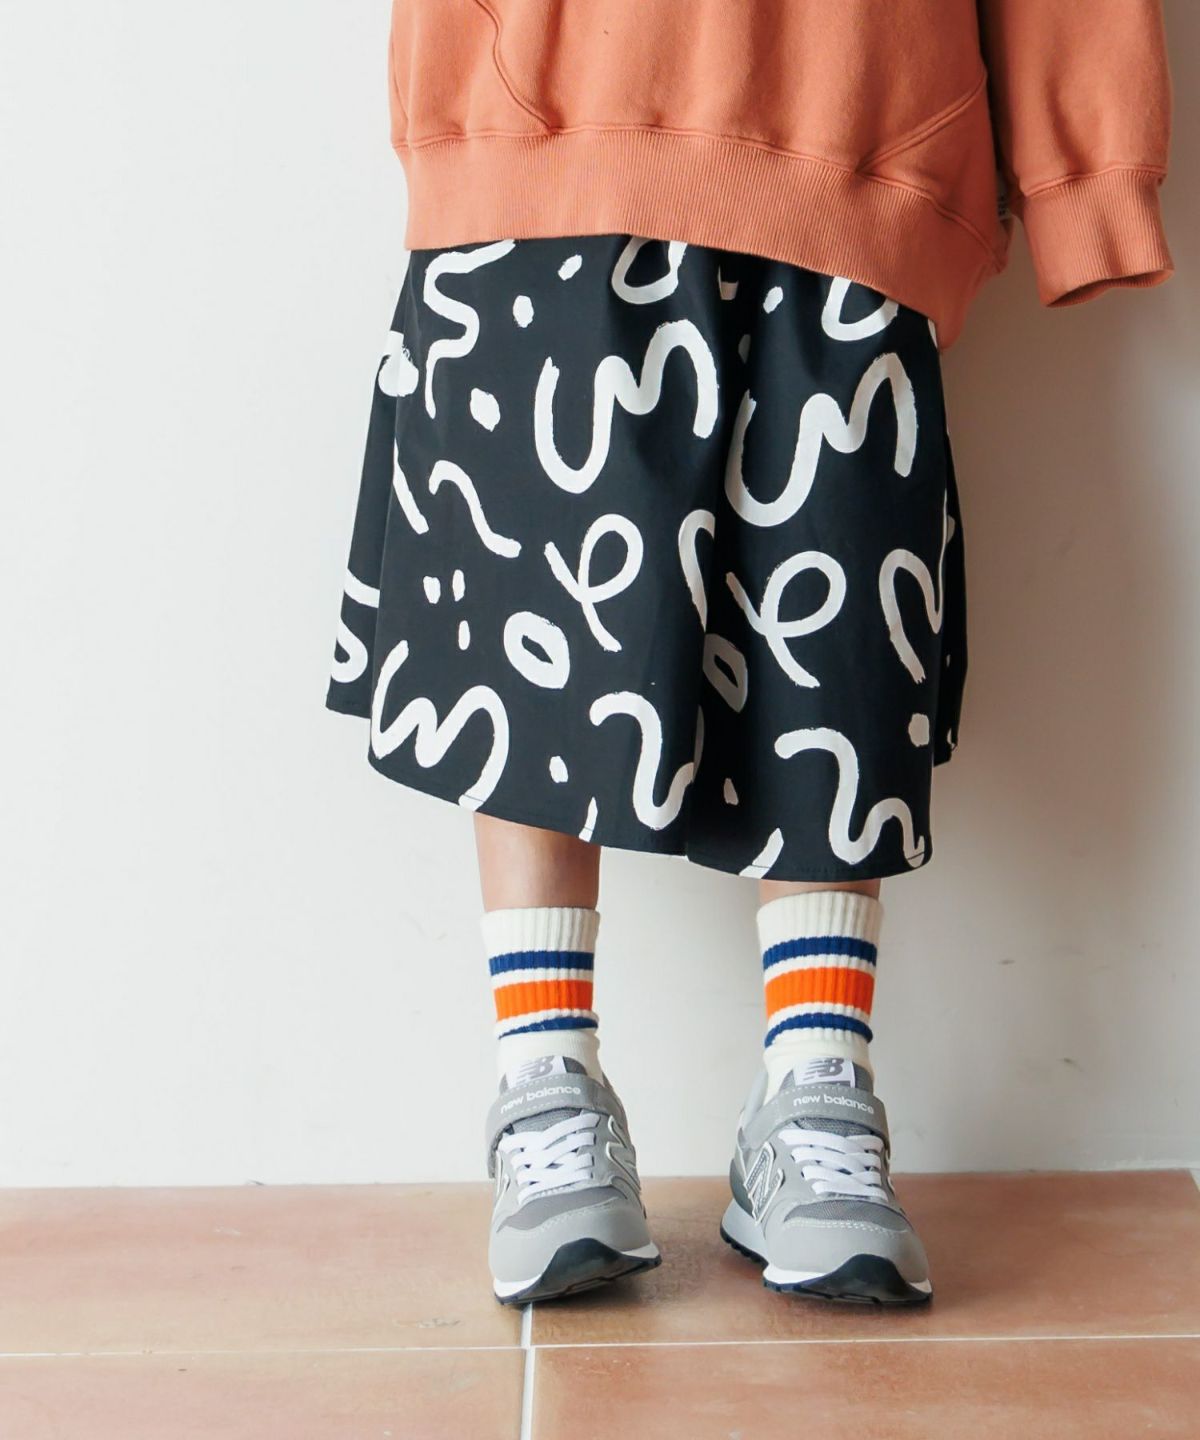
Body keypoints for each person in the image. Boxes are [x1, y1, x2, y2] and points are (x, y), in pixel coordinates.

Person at [327, 0, 1173, 1305]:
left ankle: (814, 1082)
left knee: (835, 629)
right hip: (539, 103)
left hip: (859, 119)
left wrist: (1088, 177)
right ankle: (544, 1076)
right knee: (522, 616)